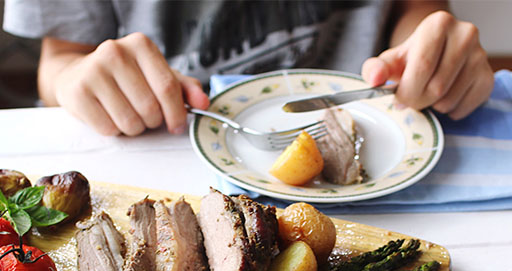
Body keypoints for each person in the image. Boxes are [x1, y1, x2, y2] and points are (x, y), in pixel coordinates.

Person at [3, 0, 494, 137]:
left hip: (381, 128)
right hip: (164, 136)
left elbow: (416, 7)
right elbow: (61, 60)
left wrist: (428, 50)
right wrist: (74, 78)